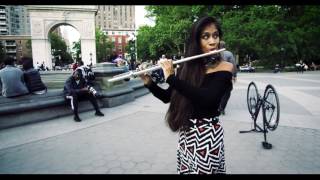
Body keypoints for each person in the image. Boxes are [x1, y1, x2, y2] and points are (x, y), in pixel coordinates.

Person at [139, 16, 233, 174]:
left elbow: (208, 99)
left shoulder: (225, 67)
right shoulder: (188, 67)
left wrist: (171, 77)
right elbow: (167, 97)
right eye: (205, 36)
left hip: (207, 135)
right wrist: (149, 82)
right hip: (187, 133)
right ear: (196, 41)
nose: (212, 41)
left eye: (215, 35)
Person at [218, 41, 237, 115]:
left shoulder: (213, 53)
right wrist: (234, 75)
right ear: (224, 46)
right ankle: (221, 108)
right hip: (226, 76)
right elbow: (233, 65)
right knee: (227, 92)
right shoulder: (229, 54)